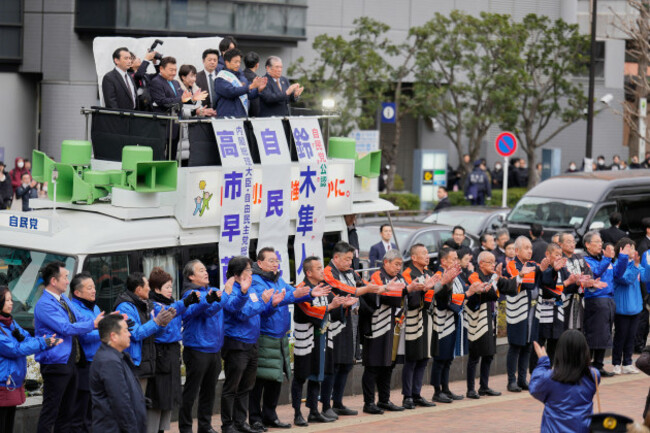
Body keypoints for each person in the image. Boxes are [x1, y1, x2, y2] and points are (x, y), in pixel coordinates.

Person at [249, 247, 330, 430]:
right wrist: (293, 295)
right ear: (260, 263)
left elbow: (292, 293)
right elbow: (270, 302)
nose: (275, 264)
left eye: (276, 261)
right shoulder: (256, 281)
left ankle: (270, 415)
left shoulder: (278, 279)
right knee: (260, 380)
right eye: (271, 261)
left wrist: (309, 294)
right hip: (264, 334)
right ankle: (255, 418)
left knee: (276, 378)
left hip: (281, 335)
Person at [34, 261, 104, 433]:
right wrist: (94, 325)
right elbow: (65, 328)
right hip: (55, 363)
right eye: (65, 277)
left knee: (67, 412)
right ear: (53, 281)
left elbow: (80, 318)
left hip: (70, 361)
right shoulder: (44, 304)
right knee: (51, 411)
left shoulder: (64, 299)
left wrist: (106, 321)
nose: (67, 281)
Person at [322, 241, 384, 418]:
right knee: (332, 366)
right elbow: (345, 289)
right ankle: (326, 404)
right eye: (347, 259)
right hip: (333, 323)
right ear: (336, 257)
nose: (350, 263)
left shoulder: (350, 272)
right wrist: (365, 289)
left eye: (351, 259)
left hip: (349, 321)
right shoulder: (328, 272)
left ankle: (338, 402)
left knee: (347, 364)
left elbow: (363, 284)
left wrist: (384, 288)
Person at [180, 259, 243, 433]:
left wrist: (242, 293)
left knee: (209, 391)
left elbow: (231, 305)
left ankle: (205, 426)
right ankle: (185, 428)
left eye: (205, 269)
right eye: (201, 270)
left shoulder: (214, 291)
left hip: (215, 349)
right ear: (191, 276)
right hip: (197, 349)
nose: (206, 272)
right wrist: (226, 294)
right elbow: (208, 310)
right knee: (191, 392)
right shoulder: (190, 295)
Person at [292, 257, 352, 426]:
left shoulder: (324, 288)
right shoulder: (301, 289)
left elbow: (334, 307)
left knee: (317, 375)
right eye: (318, 268)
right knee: (300, 377)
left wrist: (343, 304)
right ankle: (297, 412)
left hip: (323, 338)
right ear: (309, 272)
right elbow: (309, 311)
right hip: (306, 340)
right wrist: (331, 307)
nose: (322, 271)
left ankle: (313, 411)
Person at [360, 250, 416, 414]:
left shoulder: (400, 278)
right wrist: (406, 290)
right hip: (377, 326)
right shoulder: (377, 276)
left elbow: (405, 297)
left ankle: (384, 400)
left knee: (388, 365)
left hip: (395, 326)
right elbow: (386, 296)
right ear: (386, 262)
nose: (399, 268)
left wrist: (411, 289)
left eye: (400, 264)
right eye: (396, 264)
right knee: (373, 366)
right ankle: (368, 402)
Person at [147, 267, 201, 433]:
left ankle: (162, 429)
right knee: (159, 398)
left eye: (171, 287)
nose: (170, 290)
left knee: (169, 398)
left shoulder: (170, 304)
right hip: (161, 353)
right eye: (167, 287)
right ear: (157, 289)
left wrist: (197, 302)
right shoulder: (154, 306)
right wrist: (185, 302)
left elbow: (180, 310)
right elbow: (164, 328)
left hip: (172, 353)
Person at [221, 256, 272, 433]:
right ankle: (227, 425)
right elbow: (241, 313)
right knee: (232, 387)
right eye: (248, 270)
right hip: (236, 343)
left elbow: (258, 308)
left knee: (246, 386)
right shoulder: (230, 290)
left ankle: (241, 422)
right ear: (237, 273)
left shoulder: (250, 288)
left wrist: (269, 302)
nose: (251, 273)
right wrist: (248, 295)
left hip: (252, 342)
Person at [0, 286, 60, 433]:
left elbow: (27, 338)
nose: (11, 303)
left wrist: (42, 340)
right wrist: (41, 343)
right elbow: (15, 349)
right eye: (7, 300)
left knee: (8, 424)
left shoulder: (11, 323)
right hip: (2, 383)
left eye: (11, 299)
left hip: (13, 382)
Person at [431, 247, 484, 403]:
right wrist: (467, 294)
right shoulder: (440, 276)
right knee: (440, 358)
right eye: (453, 259)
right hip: (442, 322)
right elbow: (444, 300)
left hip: (454, 321)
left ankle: (445, 388)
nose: (456, 261)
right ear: (443, 261)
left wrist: (473, 289)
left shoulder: (456, 275)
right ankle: (437, 390)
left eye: (456, 259)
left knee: (448, 358)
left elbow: (462, 290)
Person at [464, 252, 517, 399]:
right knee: (474, 356)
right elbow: (487, 292)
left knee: (488, 354)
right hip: (477, 320)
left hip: (491, 319)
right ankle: (470, 389)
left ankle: (484, 386)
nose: (493, 264)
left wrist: (518, 277)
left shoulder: (492, 276)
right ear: (481, 264)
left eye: (494, 261)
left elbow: (506, 287)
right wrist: (495, 278)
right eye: (489, 262)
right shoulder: (474, 276)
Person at [400, 244, 446, 409]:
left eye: (428, 253)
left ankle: (417, 393)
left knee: (424, 358)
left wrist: (445, 283)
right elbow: (410, 301)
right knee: (412, 359)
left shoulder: (428, 273)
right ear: (413, 257)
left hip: (428, 318)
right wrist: (425, 289)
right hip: (414, 319)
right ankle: (407, 396)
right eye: (424, 253)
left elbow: (437, 296)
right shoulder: (408, 274)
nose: (428, 256)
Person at [114, 273, 175, 393]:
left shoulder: (145, 304)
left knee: (142, 404)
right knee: (135, 404)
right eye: (147, 285)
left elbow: (153, 332)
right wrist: (157, 322)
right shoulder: (124, 307)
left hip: (147, 363)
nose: (149, 288)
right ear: (138, 289)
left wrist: (163, 324)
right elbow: (136, 333)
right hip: (134, 364)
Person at [530, 330, 600, 433]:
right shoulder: (594, 375)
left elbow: (535, 388)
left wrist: (543, 362)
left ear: (560, 352)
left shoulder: (550, 378)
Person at [90, 314, 147, 433]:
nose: (129, 334)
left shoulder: (116, 357)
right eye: (126, 330)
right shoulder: (109, 361)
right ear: (114, 336)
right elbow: (120, 401)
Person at [583, 231, 628, 377]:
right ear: (587, 244)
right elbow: (594, 273)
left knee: (605, 334)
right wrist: (607, 259)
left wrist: (622, 258)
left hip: (609, 300)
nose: (600, 244)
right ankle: (587, 366)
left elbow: (618, 274)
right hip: (595, 300)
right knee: (594, 334)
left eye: (600, 241)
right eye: (596, 241)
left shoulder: (605, 260)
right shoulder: (586, 260)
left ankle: (599, 365)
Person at [504, 237, 543, 392]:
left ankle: (522, 379)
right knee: (515, 345)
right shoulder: (512, 264)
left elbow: (542, 278)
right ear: (517, 250)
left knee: (527, 345)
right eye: (526, 248)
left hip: (531, 310)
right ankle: (511, 380)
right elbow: (525, 282)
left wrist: (545, 268)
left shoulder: (532, 264)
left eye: (530, 248)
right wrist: (538, 270)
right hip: (517, 311)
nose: (529, 251)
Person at [68, 272, 102, 433]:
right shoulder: (74, 309)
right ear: (77, 292)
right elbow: (84, 336)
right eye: (89, 288)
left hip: (97, 363)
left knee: (93, 410)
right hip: (83, 365)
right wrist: (105, 331)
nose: (94, 290)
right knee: (81, 410)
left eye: (94, 287)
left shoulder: (94, 307)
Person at [611, 239, 645, 375]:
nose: (633, 250)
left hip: (636, 306)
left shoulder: (636, 264)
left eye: (633, 248)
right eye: (629, 248)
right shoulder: (617, 265)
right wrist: (636, 265)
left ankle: (628, 363)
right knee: (620, 336)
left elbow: (646, 277)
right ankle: (616, 363)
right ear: (621, 250)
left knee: (631, 336)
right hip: (622, 308)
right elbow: (626, 279)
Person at [150, 56, 192, 159]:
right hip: (164, 126)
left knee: (172, 155)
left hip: (176, 124)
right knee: (160, 156)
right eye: (171, 70)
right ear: (161, 69)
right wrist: (181, 99)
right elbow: (161, 101)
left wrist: (194, 100)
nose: (174, 73)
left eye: (175, 70)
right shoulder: (156, 81)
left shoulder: (175, 82)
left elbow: (184, 98)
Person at [215, 49, 267, 118]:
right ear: (227, 62)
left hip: (241, 116)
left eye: (239, 62)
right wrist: (250, 86)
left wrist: (258, 90)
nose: (238, 64)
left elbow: (247, 95)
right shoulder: (221, 77)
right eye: (236, 62)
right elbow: (231, 92)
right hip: (227, 117)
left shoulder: (241, 77)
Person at [243, 52, 262, 117]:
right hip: (252, 115)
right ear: (257, 65)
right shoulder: (257, 79)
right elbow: (255, 102)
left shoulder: (239, 76)